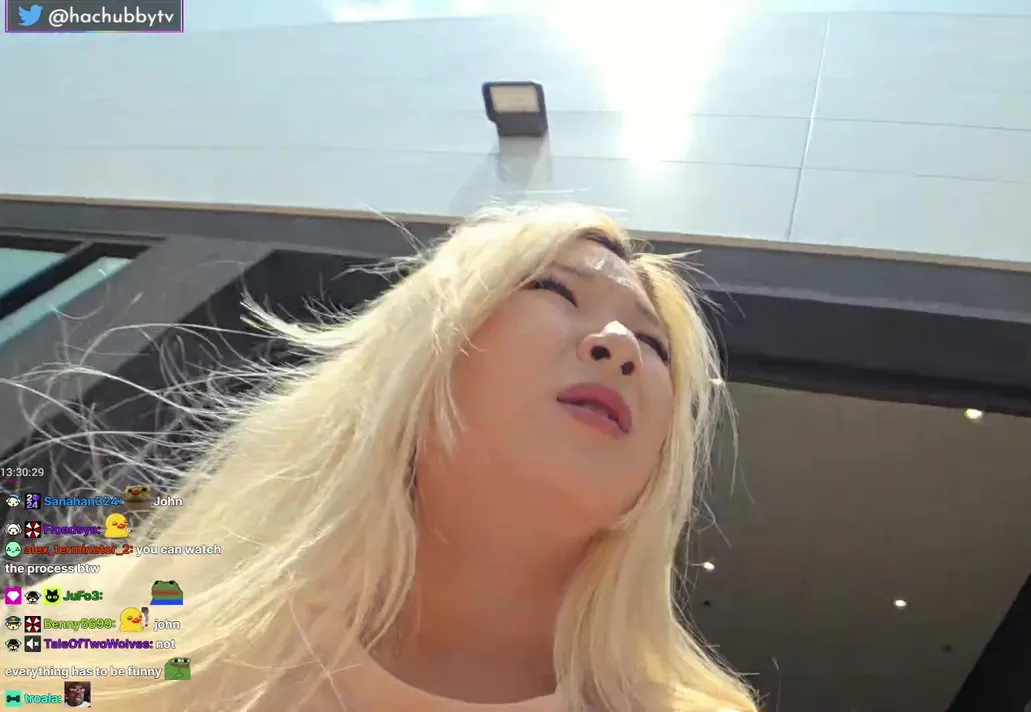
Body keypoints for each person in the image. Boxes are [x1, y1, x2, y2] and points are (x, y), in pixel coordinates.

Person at [32, 205, 758, 711]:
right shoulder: (108, 628)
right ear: (419, 354)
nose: (620, 347)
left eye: (654, 345)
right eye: (557, 291)